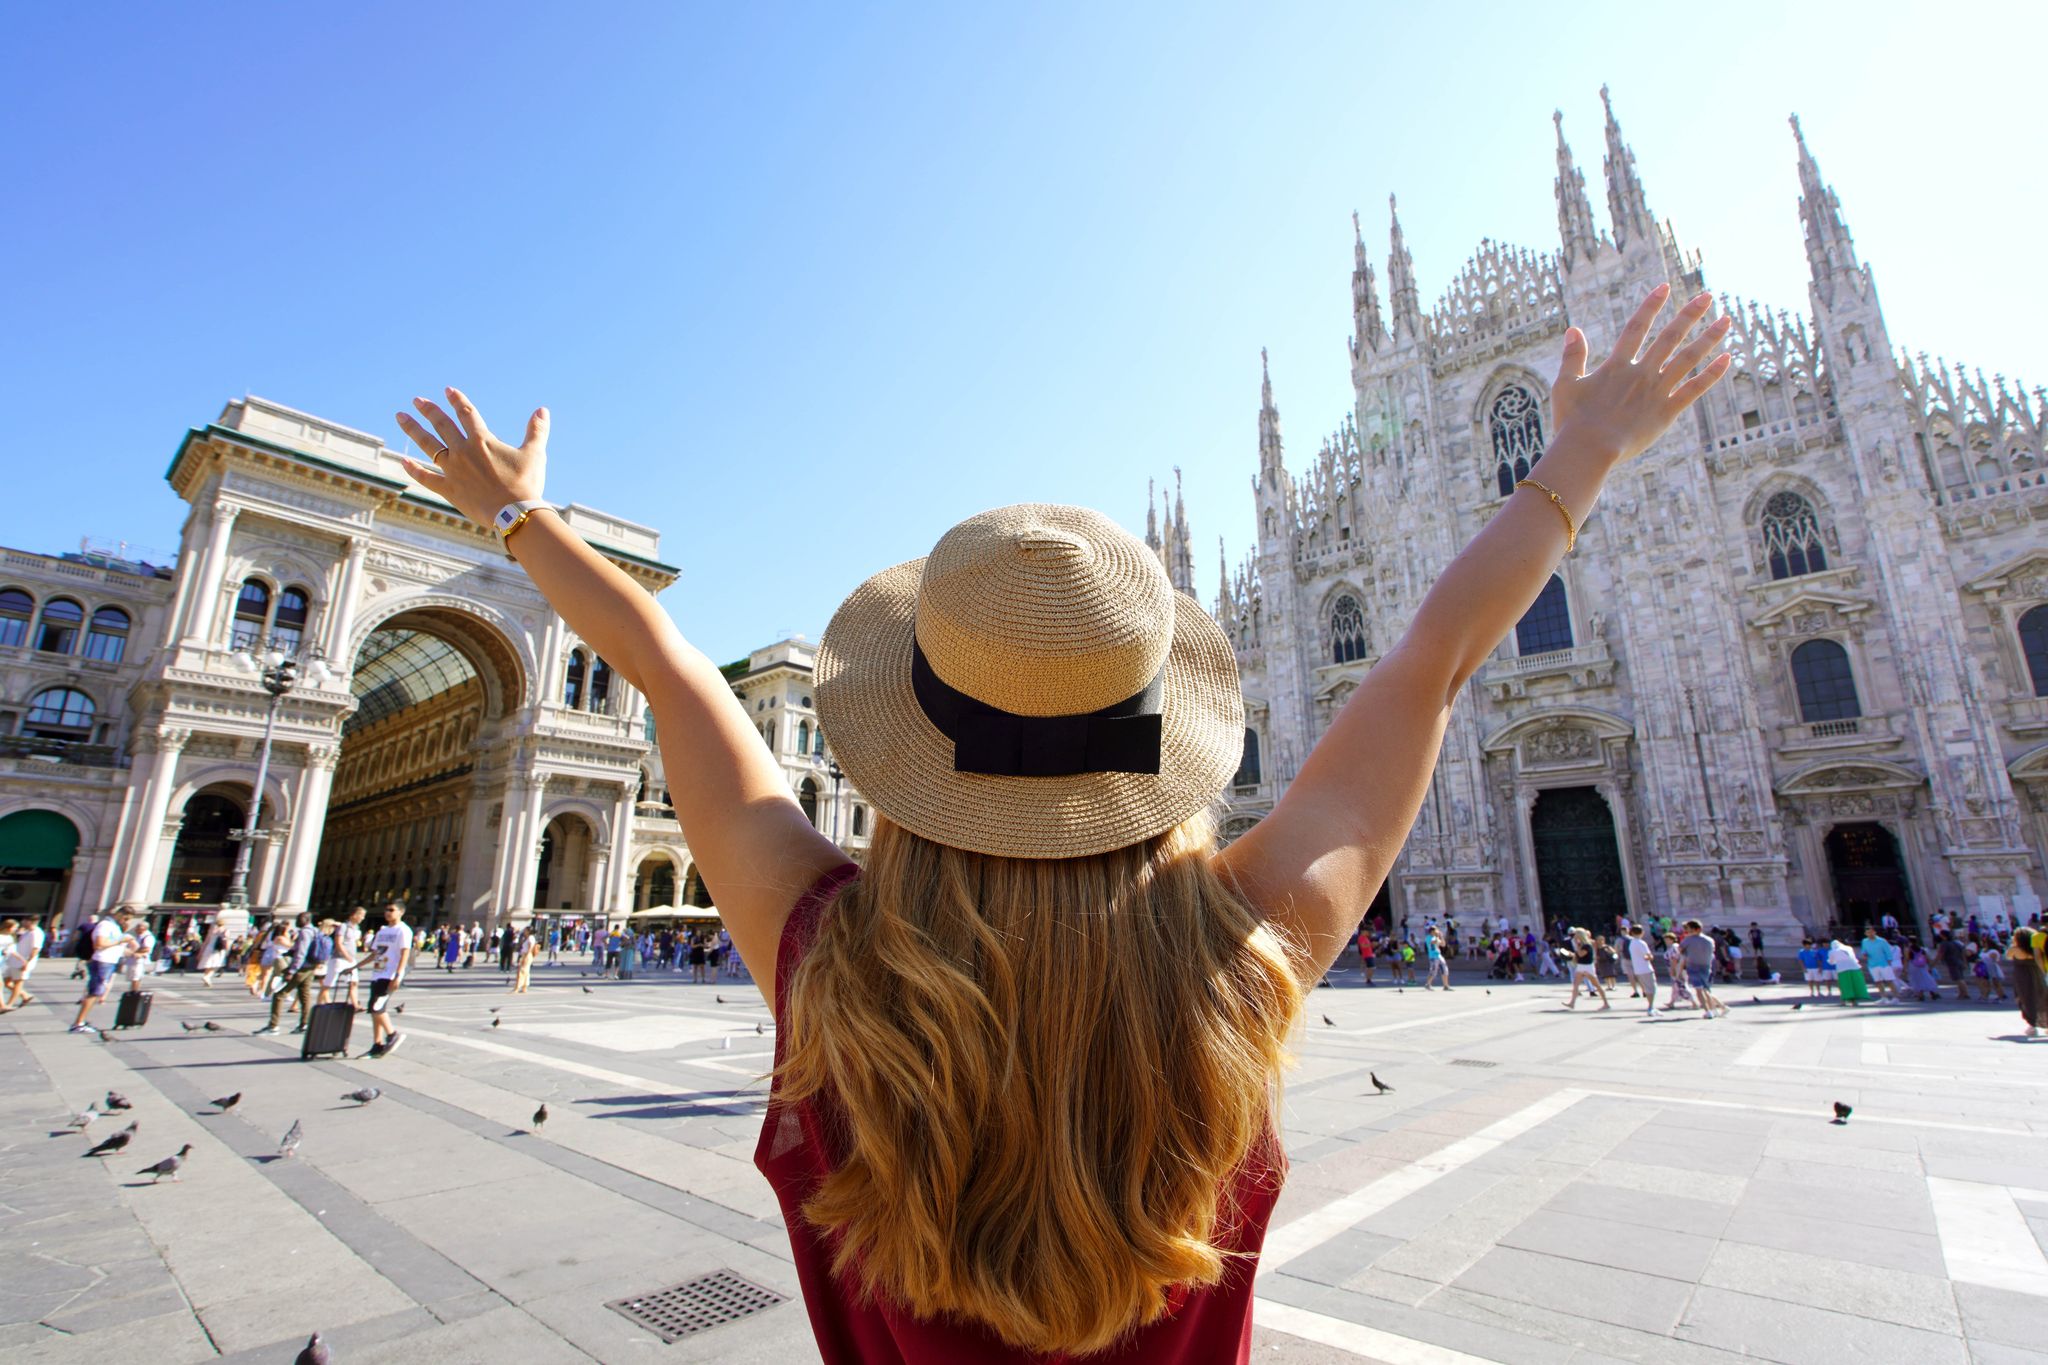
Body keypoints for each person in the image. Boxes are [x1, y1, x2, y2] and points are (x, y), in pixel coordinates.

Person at [390, 277, 1728, 1355]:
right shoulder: (1237, 962)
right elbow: (1431, 658)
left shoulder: (830, 965)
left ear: (911, 750)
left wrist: (516, 513)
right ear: (1153, 743)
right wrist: (1583, 455)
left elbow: (670, 669)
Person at [257, 914, 331, 1035]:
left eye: (299, 919)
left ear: (306, 920)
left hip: (301, 968)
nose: (296, 921)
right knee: (304, 995)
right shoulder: (315, 931)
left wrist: (292, 970)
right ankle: (304, 1024)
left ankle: (273, 1026)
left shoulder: (305, 932)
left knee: (279, 994)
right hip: (310, 967)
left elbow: (301, 952)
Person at [70, 912, 137, 1034]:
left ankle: (80, 1022)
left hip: (107, 962)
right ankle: (78, 1024)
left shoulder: (114, 926)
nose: (127, 922)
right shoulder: (105, 925)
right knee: (94, 993)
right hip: (102, 961)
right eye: (127, 919)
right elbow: (99, 944)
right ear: (121, 915)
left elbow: (114, 946)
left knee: (95, 993)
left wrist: (133, 950)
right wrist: (121, 939)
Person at [363, 902, 411, 1058]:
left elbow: (405, 953)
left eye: (391, 910)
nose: (387, 912)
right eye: (386, 909)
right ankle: (377, 1044)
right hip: (378, 973)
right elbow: (375, 953)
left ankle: (392, 1034)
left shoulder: (403, 930)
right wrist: (355, 966)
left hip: (389, 974)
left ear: (401, 912)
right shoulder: (382, 931)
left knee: (376, 1007)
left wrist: (398, 975)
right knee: (375, 1010)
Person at [1681, 921, 1728, 1018]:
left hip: (1693, 966)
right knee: (1706, 989)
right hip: (1707, 966)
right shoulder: (1709, 940)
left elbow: (1680, 951)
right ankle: (1716, 1008)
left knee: (1699, 990)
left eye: (1689, 928)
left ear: (1695, 929)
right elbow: (1712, 953)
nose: (1687, 931)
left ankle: (1708, 1011)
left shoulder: (1688, 940)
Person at [322, 906, 366, 1007]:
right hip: (339, 959)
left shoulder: (356, 928)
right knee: (328, 984)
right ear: (354, 915)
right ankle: (320, 1004)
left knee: (353, 982)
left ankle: (355, 1005)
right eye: (361, 915)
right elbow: (339, 943)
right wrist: (347, 956)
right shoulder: (343, 927)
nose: (362, 918)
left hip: (351, 959)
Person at [2007, 928, 2046, 1039]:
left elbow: (2008, 956)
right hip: (2038, 974)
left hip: (2022, 977)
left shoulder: (2015, 949)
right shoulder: (2035, 948)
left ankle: (2032, 1024)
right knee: (2041, 997)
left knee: (2025, 998)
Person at [2, 916, 46, 1011]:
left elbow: (36, 949)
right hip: (13, 961)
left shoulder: (37, 933)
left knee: (18, 983)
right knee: (6, 982)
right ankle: (25, 995)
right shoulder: (27, 931)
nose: (22, 922)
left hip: (22, 963)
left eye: (24, 921)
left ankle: (9, 1004)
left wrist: (27, 962)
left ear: (30, 921)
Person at [1566, 928, 1608, 1010]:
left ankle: (1606, 1003)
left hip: (1588, 967)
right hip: (1581, 966)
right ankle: (1572, 1002)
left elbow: (1581, 954)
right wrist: (1572, 954)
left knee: (1597, 985)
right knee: (1576, 985)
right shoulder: (1581, 945)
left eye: (1576, 935)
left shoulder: (1587, 945)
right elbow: (1578, 956)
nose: (1575, 937)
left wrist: (1577, 946)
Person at [1623, 925, 1658, 1017]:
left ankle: (1651, 1007)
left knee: (1647, 988)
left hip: (1638, 969)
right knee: (1652, 989)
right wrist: (1650, 957)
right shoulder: (1641, 943)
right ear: (1642, 932)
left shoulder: (1632, 943)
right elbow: (1647, 956)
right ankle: (1651, 1007)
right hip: (1645, 968)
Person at [1858, 926, 1898, 1002]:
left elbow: (1888, 952)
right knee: (1878, 981)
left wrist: (1889, 961)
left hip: (1883, 963)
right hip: (1872, 964)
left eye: (1871, 932)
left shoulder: (1882, 941)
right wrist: (1865, 955)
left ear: (1874, 932)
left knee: (1889, 980)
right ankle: (1883, 997)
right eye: (1867, 932)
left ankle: (1895, 997)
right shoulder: (1864, 941)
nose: (1869, 934)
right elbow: (1863, 951)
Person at [512, 925, 539, 993]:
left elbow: (530, 948)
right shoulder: (528, 938)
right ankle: (524, 987)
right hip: (525, 954)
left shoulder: (530, 938)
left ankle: (517, 987)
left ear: (528, 931)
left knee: (521, 971)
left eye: (525, 930)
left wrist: (525, 957)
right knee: (526, 971)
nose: (524, 931)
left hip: (527, 955)